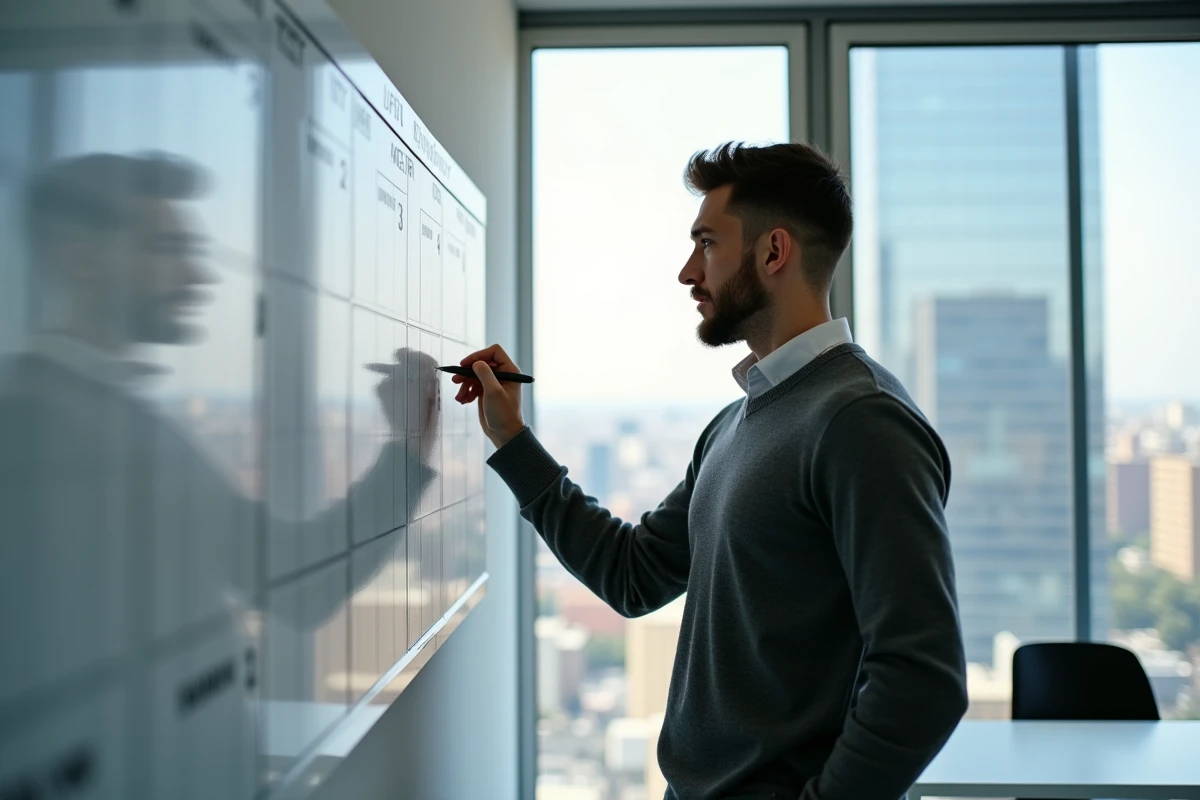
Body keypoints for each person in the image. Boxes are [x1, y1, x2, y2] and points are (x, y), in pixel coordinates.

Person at [451, 142, 968, 800]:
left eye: (706, 244)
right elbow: (633, 575)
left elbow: (924, 676)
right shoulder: (736, 422)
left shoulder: (860, 422)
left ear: (773, 252)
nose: (688, 272)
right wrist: (512, 439)